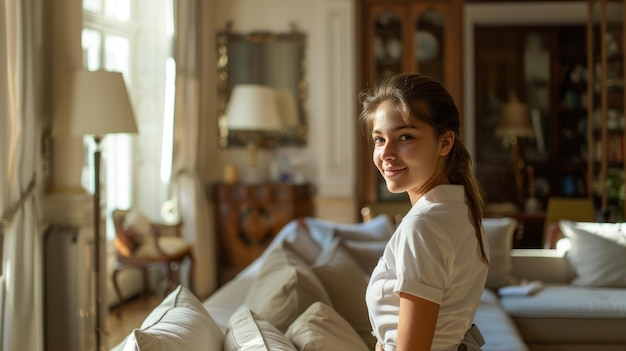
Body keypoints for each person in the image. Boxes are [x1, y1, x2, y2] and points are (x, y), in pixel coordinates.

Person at [360, 73, 490, 351]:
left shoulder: (423, 227)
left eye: (405, 137)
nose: (386, 153)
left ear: (445, 142)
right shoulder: (460, 208)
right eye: (379, 139)